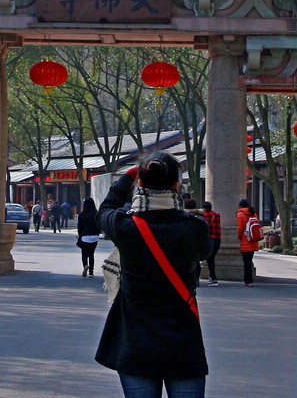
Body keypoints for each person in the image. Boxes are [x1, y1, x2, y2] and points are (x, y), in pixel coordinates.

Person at [96, 151, 211, 397]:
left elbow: (104, 210)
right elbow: (206, 251)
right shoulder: (194, 228)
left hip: (135, 344)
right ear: (176, 185)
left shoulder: (125, 227)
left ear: (140, 184)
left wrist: (125, 179)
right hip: (183, 344)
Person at [236, 199, 258, 286]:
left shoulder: (240, 214)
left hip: (245, 240)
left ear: (240, 206)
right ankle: (249, 280)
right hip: (253, 240)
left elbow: (240, 228)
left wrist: (239, 237)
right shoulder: (253, 213)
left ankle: (248, 280)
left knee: (246, 262)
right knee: (249, 260)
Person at [76, 197, 100, 277]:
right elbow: (99, 225)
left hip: (85, 236)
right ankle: (91, 272)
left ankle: (85, 265)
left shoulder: (82, 215)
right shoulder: (96, 214)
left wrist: (80, 235)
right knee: (91, 254)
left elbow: (79, 227)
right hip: (94, 236)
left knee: (84, 254)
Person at [201, 201, 221, 286]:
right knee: (211, 258)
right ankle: (212, 277)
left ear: (204, 208)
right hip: (217, 239)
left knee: (210, 259)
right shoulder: (217, 215)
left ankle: (213, 278)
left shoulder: (204, 216)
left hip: (209, 239)